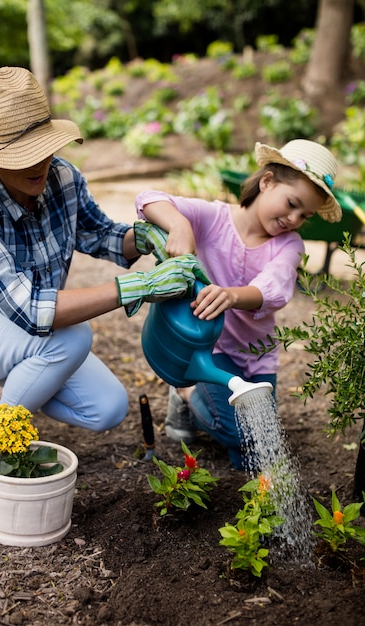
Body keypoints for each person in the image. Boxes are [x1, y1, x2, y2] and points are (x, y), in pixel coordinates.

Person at [0, 66, 208, 431]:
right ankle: (0, 432)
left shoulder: (63, 177)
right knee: (73, 336)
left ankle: (9, 381)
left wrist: (151, 235)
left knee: (108, 408)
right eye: (21, 156)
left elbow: (102, 236)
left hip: (24, 331)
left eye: (44, 149)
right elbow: (33, 310)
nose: (39, 163)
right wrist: (141, 287)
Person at [134, 139, 342, 470]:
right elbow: (149, 200)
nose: (293, 218)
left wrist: (232, 295)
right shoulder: (212, 218)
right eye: (291, 203)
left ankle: (212, 420)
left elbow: (275, 288)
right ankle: (186, 395)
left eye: (304, 215)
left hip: (256, 358)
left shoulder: (289, 244)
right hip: (209, 350)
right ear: (267, 181)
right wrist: (179, 224)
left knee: (260, 443)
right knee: (239, 432)